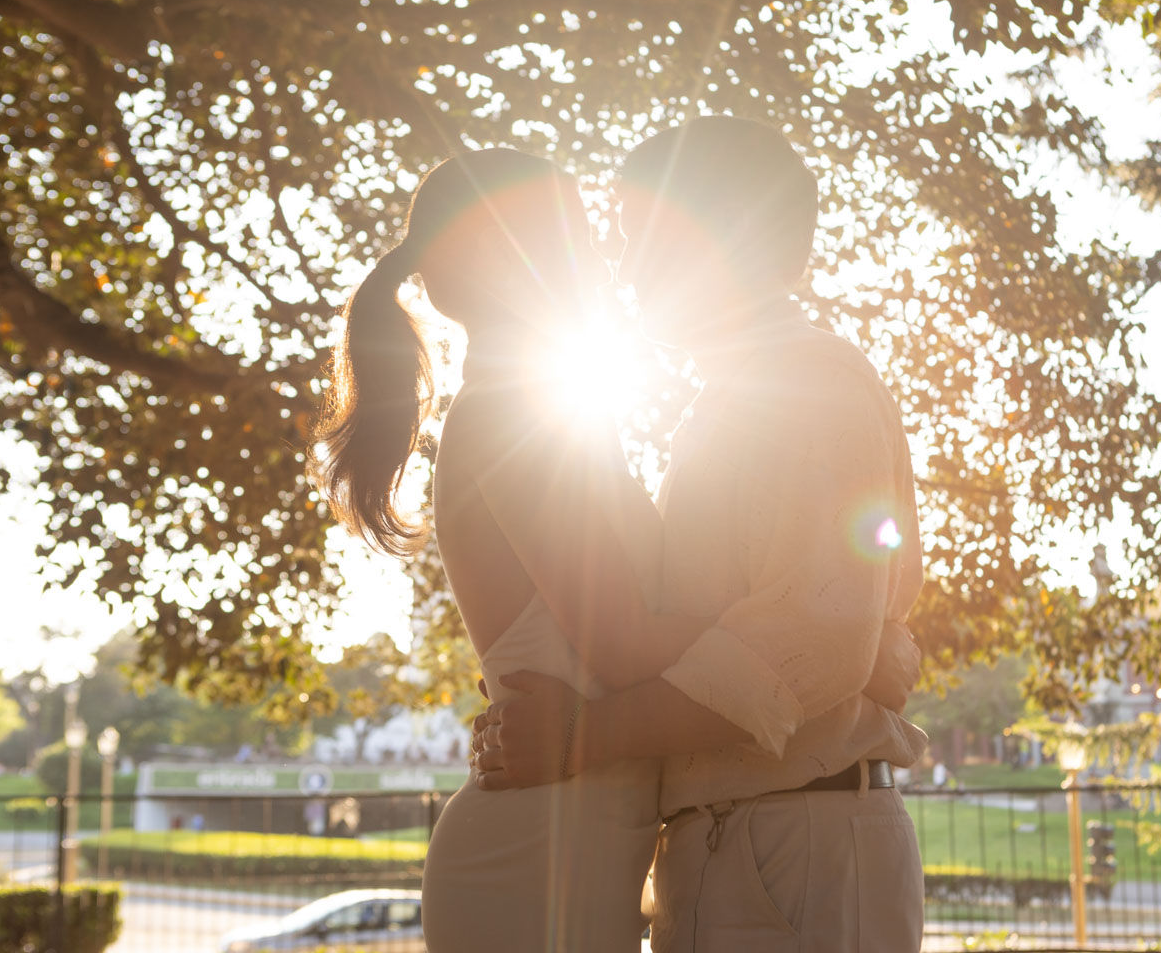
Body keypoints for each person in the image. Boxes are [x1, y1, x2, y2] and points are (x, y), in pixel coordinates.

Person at [311, 147, 922, 952]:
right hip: (554, 846)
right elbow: (628, 632)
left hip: (650, 839)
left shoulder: (781, 388)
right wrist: (851, 644)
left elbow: (691, 623)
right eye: (588, 234)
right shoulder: (518, 417)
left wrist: (841, 639)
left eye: (627, 234)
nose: (614, 261)